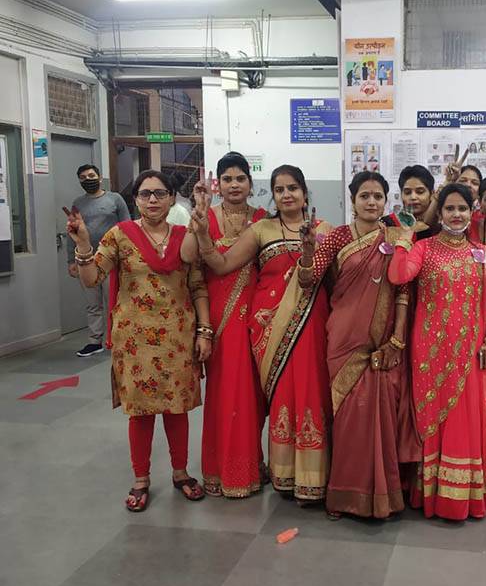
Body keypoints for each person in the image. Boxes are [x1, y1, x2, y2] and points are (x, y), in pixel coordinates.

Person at [64, 169, 211, 512]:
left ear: (173, 198)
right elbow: (91, 278)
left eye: (160, 193)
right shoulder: (120, 235)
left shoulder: (183, 235)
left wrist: (204, 331)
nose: (153, 200)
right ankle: (141, 479)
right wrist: (84, 243)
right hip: (134, 341)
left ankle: (180, 472)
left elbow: (197, 286)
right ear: (135, 200)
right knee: (141, 413)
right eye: (145, 194)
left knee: (178, 410)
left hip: (177, 338)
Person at [191, 164, 332, 505]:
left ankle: (314, 476)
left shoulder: (324, 229)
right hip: (269, 328)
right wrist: (202, 235)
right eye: (280, 189)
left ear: (304, 192)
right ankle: (284, 473)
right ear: (272, 193)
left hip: (312, 324)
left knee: (313, 392)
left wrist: (311, 252)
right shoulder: (261, 229)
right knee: (283, 395)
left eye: (293, 188)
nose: (286, 195)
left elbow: (330, 278)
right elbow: (222, 265)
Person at [298, 171, 419, 519]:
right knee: (347, 417)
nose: (371, 202)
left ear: (385, 201)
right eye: (364, 196)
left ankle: (381, 495)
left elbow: (403, 290)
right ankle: (343, 495)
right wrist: (307, 253)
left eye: (378, 196)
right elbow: (308, 282)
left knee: (378, 417)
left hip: (381, 342)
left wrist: (396, 339)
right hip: (343, 338)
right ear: (352, 201)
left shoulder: (396, 236)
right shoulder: (337, 237)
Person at [388, 183, 486, 521]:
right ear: (439, 214)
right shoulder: (423, 248)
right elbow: (398, 276)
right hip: (430, 350)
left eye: (463, 209)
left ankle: (461, 497)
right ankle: (433, 495)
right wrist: (404, 237)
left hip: (470, 351)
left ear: (473, 213)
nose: (456, 215)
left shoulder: (483, 252)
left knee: (465, 419)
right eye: (450, 209)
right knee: (432, 417)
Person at [181, 153, 268, 498]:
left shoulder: (262, 220)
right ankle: (221, 471)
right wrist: (196, 222)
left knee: (253, 396)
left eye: (240, 178)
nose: (234, 185)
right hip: (218, 318)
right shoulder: (208, 217)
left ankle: (251, 465)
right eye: (227, 179)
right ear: (218, 184)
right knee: (224, 394)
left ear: (250, 183)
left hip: (257, 317)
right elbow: (188, 256)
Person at [67, 163, 130, 357]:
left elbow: (127, 226)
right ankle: (95, 341)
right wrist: (71, 260)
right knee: (92, 304)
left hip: (112, 259)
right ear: (79, 181)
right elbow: (72, 231)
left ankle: (119, 338)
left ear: (100, 177)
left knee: (114, 301)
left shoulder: (115, 199)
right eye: (83, 177)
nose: (88, 179)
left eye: (91, 175)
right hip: (86, 260)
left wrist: (127, 256)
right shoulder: (78, 203)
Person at [382, 165, 436, 240]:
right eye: (407, 192)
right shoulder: (387, 223)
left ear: (432, 194)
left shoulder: (442, 227)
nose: (413, 197)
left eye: (420, 192)